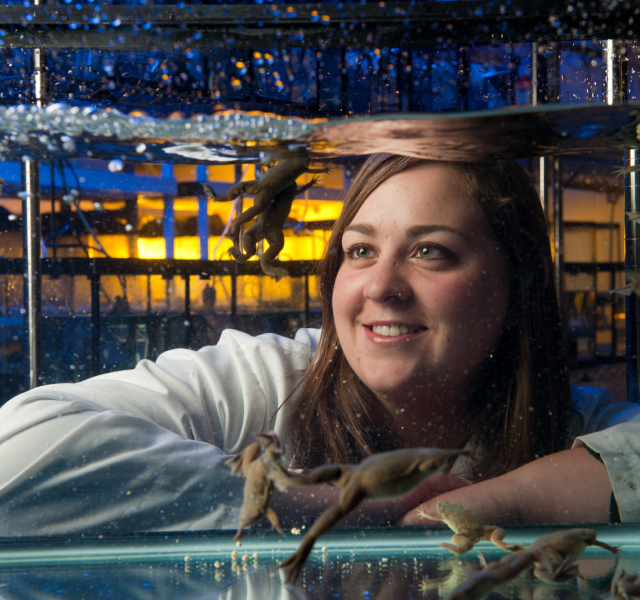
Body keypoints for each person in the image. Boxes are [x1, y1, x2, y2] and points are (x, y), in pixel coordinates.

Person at [0, 154, 639, 537]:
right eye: (360, 250)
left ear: (519, 283)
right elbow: (15, 449)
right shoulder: (266, 381)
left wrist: (498, 501)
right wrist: (319, 502)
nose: (381, 286)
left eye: (430, 251)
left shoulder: (573, 422)